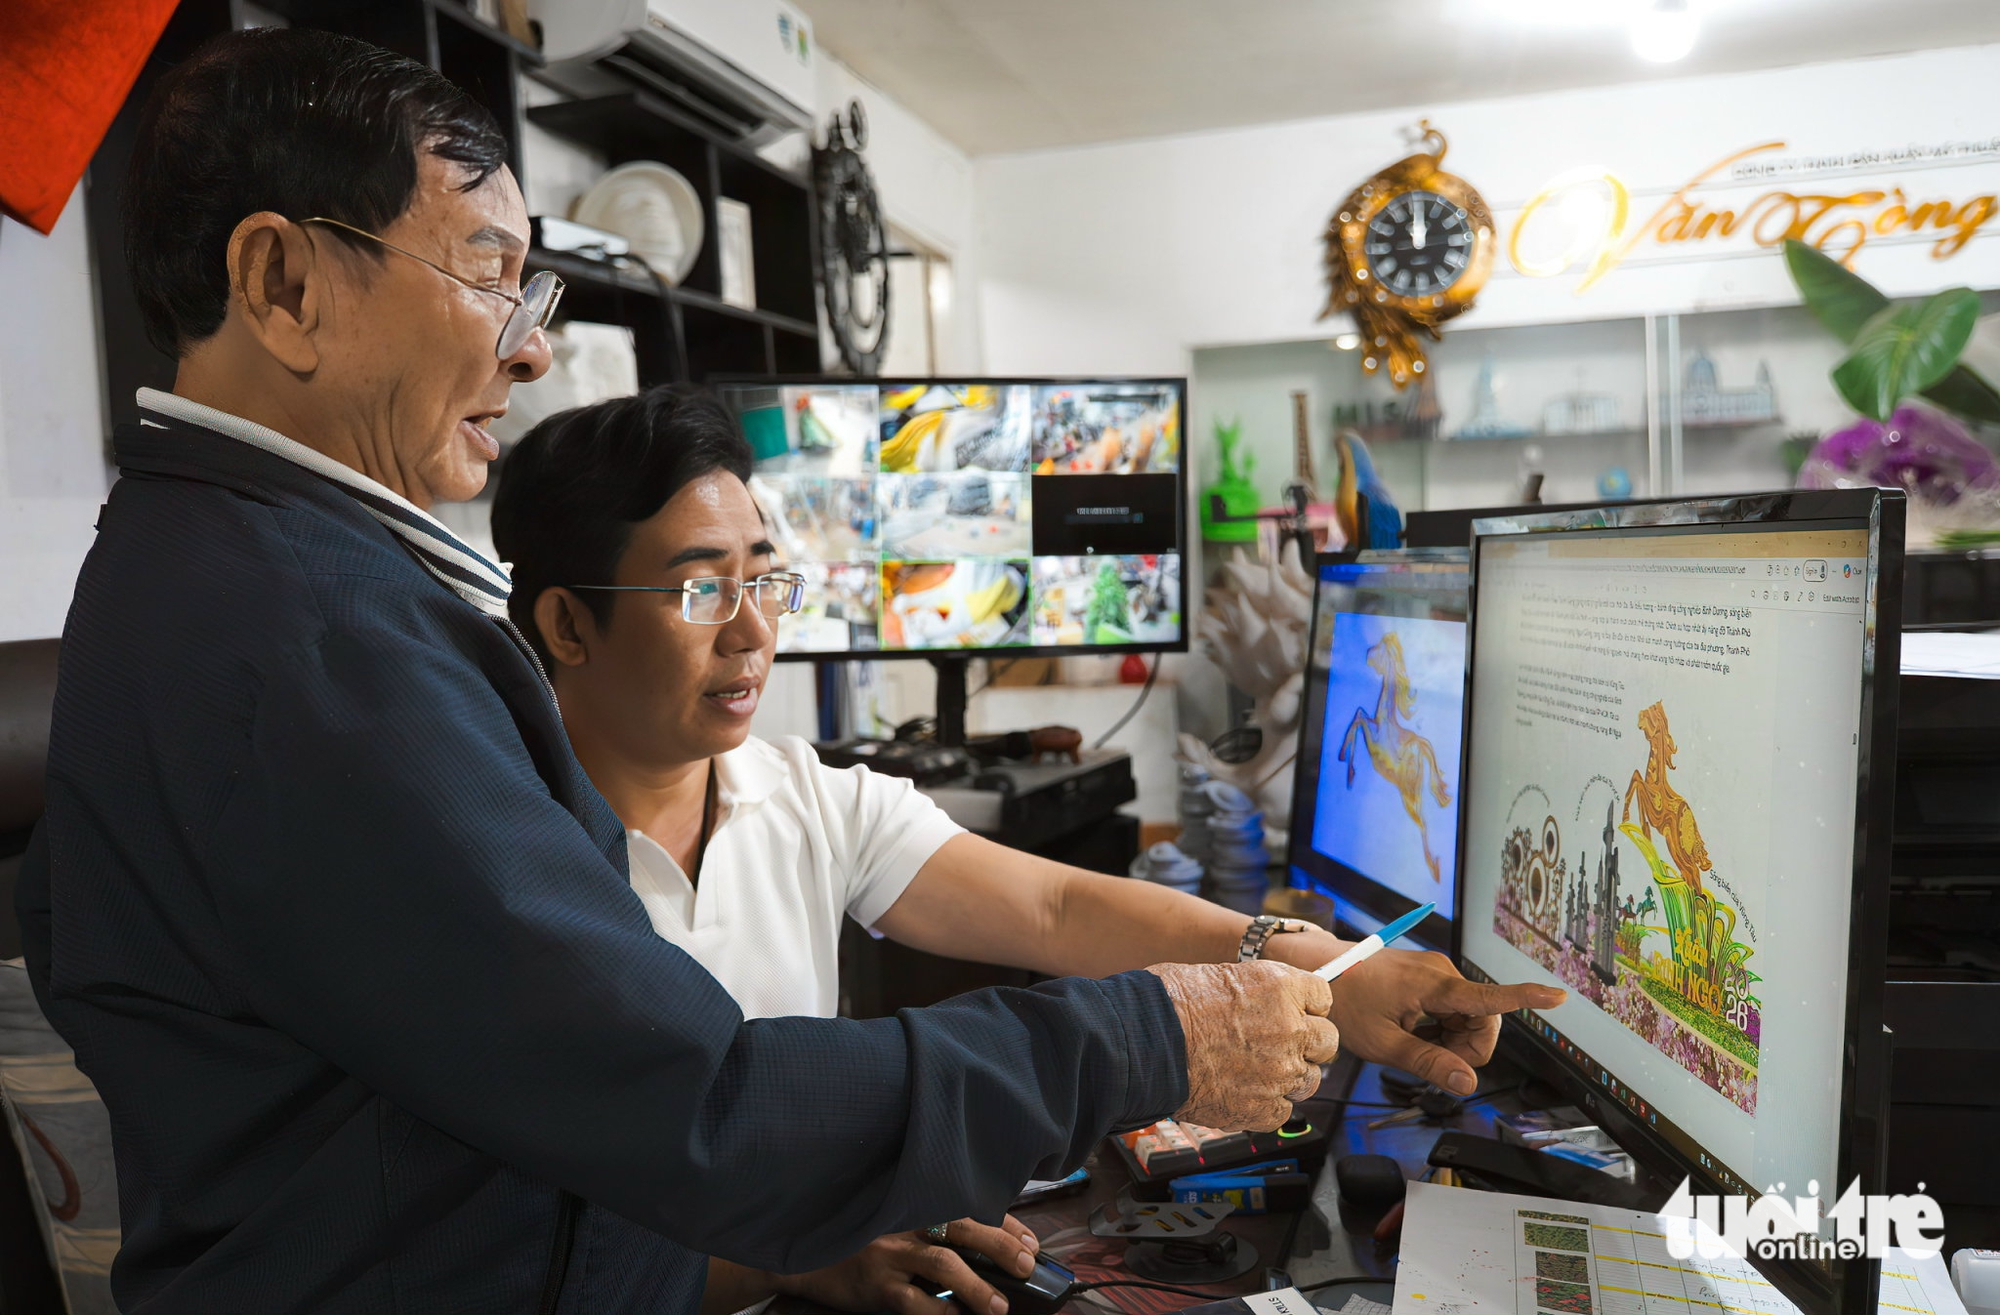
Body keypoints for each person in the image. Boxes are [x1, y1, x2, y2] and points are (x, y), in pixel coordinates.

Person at [17, 29, 1363, 1315]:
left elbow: (528, 1126)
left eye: (762, 575)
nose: (531, 346)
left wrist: (791, 1243)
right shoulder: (318, 643)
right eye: (489, 275)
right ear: (282, 284)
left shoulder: (221, 573)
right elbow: (701, 1102)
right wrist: (1150, 1039)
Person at [489, 387, 1569, 1315]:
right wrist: (792, 1249)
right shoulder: (500, 864)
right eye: (698, 589)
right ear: (568, 625)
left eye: (764, 580)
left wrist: (1330, 965)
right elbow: (531, 1234)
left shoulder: (802, 796)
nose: (752, 630)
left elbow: (1056, 908)